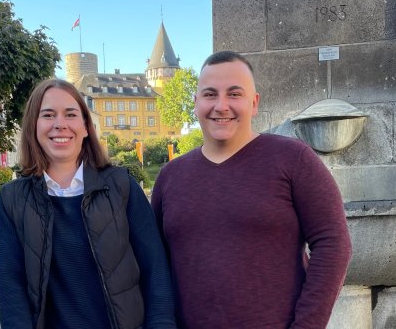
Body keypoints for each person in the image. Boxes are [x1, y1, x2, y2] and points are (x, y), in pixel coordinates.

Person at [151, 51, 352, 329]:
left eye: (234, 94)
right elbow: (155, 263)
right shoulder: (170, 176)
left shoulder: (294, 159)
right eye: (210, 94)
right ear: (196, 103)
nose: (221, 106)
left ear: (254, 103)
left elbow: (334, 244)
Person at [0, 78, 176, 329]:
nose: (60, 124)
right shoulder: (12, 199)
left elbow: (155, 269)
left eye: (70, 114)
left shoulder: (121, 186)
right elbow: (10, 286)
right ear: (33, 126)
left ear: (86, 127)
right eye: (48, 115)